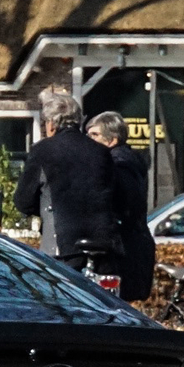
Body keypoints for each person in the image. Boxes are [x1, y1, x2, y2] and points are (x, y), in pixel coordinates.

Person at [15, 90, 119, 275]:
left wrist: (41, 208)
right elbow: (115, 194)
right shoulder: (101, 151)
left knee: (59, 297)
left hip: (62, 245)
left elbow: (23, 201)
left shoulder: (43, 150)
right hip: (103, 244)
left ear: (52, 124)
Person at [87, 110, 156, 303]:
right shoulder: (129, 162)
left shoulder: (118, 165)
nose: (89, 140)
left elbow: (126, 206)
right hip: (134, 246)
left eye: (95, 135)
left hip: (125, 251)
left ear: (112, 141)